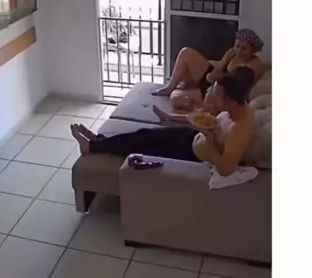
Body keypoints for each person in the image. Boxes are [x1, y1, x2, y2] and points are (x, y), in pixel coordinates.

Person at [71, 68, 256, 177]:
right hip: (191, 137)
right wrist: (205, 129)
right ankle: (99, 140)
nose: (212, 98)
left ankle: (91, 147)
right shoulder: (237, 107)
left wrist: (208, 139)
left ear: (230, 99)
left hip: (188, 154)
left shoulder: (240, 130)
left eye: (216, 96)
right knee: (143, 134)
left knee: (141, 144)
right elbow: (214, 124)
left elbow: (225, 169)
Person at [152, 28, 265, 112]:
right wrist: (225, 59)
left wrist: (213, 78)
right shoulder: (232, 54)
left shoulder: (255, 64)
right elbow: (215, 72)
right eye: (237, 46)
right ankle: (170, 87)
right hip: (213, 81)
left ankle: (198, 108)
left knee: (177, 98)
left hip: (221, 93)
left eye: (244, 48)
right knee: (186, 52)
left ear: (253, 50)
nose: (239, 51)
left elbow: (238, 86)